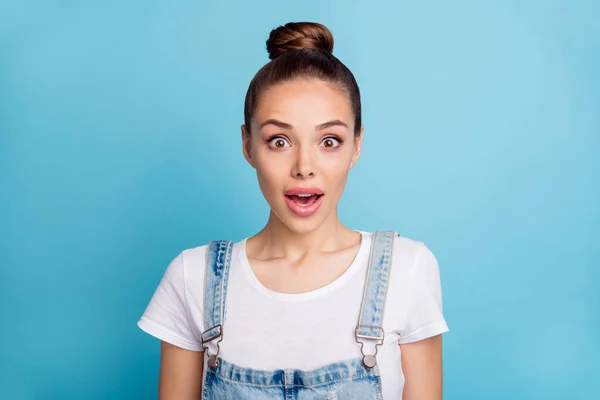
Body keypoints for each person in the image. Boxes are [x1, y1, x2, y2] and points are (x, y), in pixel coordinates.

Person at [138, 21, 449, 400]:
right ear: (248, 145)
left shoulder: (407, 268)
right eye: (279, 140)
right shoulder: (193, 277)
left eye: (329, 141)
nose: (304, 166)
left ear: (356, 145)